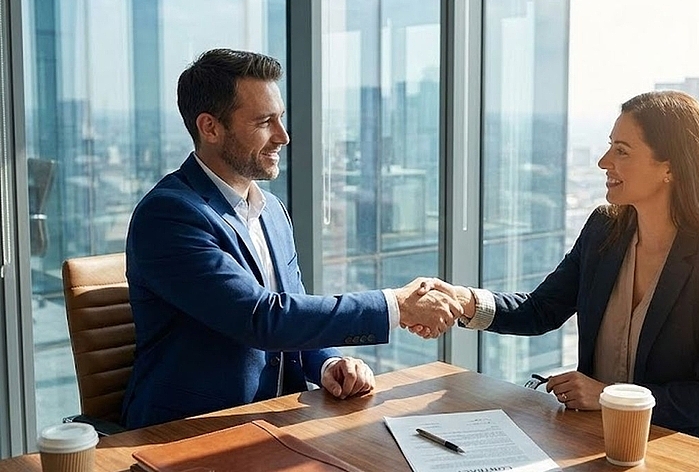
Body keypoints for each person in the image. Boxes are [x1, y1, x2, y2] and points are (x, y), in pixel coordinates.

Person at [121, 48, 460, 429]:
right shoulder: (169, 216)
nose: (283, 136)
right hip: (193, 430)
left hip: (278, 421)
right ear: (210, 128)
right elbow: (262, 319)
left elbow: (292, 312)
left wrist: (329, 362)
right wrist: (397, 306)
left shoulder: (271, 211)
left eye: (280, 119)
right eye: (265, 122)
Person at [419, 90, 699, 443]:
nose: (603, 161)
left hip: (676, 446)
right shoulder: (605, 230)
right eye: (610, 146)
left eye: (622, 151)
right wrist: (464, 300)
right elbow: (541, 310)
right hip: (592, 435)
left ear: (670, 167)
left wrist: (606, 395)